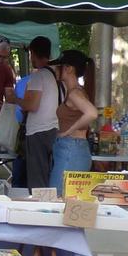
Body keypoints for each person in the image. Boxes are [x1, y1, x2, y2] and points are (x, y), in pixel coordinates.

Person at [14, 35, 59, 189]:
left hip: (38, 132)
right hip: (53, 129)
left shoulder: (38, 76)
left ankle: (39, 205)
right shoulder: (55, 75)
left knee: (37, 177)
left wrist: (15, 99)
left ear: (33, 53)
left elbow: (31, 105)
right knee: (48, 174)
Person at [50, 48, 98, 185]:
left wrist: (68, 131)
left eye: (59, 66)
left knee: (57, 197)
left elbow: (92, 113)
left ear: (69, 69)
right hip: (73, 149)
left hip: (71, 148)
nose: (55, 69)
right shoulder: (75, 91)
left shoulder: (74, 94)